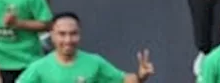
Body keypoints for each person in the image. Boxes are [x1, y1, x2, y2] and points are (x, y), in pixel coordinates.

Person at [12, 12, 155, 82]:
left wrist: (141, 76)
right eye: (62, 34)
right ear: (53, 36)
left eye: (73, 34)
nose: (68, 40)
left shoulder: (94, 62)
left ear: (79, 35)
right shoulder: (38, 68)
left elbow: (124, 80)